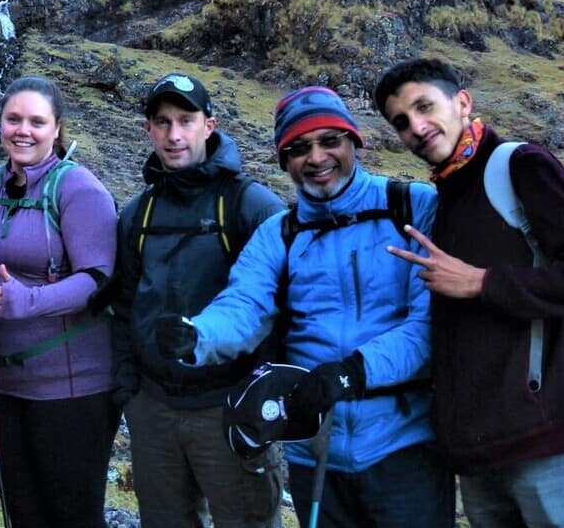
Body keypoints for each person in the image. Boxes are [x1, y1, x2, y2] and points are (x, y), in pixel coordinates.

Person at [161, 86, 453, 527]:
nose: (316, 158)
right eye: (298, 148)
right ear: (285, 161)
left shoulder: (413, 209)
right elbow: (244, 303)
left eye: (329, 141)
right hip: (315, 452)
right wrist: (198, 335)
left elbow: (428, 326)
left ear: (354, 141)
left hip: (405, 445)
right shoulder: (280, 233)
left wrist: (353, 371)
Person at [373, 58, 564, 528]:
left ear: (463, 102)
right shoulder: (446, 194)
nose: (417, 127)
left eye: (425, 107)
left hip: (549, 440)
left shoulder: (520, 166)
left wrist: (480, 282)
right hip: (478, 455)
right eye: (402, 123)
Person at [103, 73, 287, 528]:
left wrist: (265, 396)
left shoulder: (250, 204)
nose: (174, 134)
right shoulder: (137, 213)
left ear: (210, 125)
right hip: (155, 412)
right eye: (162, 122)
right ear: (147, 129)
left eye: (186, 120)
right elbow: (123, 304)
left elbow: (286, 301)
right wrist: (131, 392)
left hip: (230, 411)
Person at [0, 76, 119, 528]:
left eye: (37, 122)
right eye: (14, 119)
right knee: (21, 514)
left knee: (72, 516)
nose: (23, 130)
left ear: (57, 129)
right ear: (0, 123)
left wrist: (32, 301)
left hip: (70, 390)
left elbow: (99, 279)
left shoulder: (79, 189)